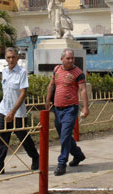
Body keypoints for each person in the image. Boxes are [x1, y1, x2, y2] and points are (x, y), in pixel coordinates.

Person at [0, 48, 39, 176]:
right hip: (3, 110)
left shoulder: (22, 72)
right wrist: (6, 111)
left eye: (13, 57)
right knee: (0, 138)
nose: (11, 60)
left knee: (23, 137)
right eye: (9, 57)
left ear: (17, 58)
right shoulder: (4, 72)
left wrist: (13, 111)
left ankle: (35, 157)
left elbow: (23, 94)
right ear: (5, 57)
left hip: (17, 112)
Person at [45, 48, 89, 176]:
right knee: (65, 136)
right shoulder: (57, 69)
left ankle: (62, 163)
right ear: (62, 59)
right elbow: (51, 85)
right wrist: (47, 100)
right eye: (68, 58)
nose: (71, 61)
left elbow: (83, 90)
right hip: (57, 108)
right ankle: (78, 154)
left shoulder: (78, 73)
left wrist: (85, 107)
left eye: (72, 58)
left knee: (64, 136)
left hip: (70, 109)